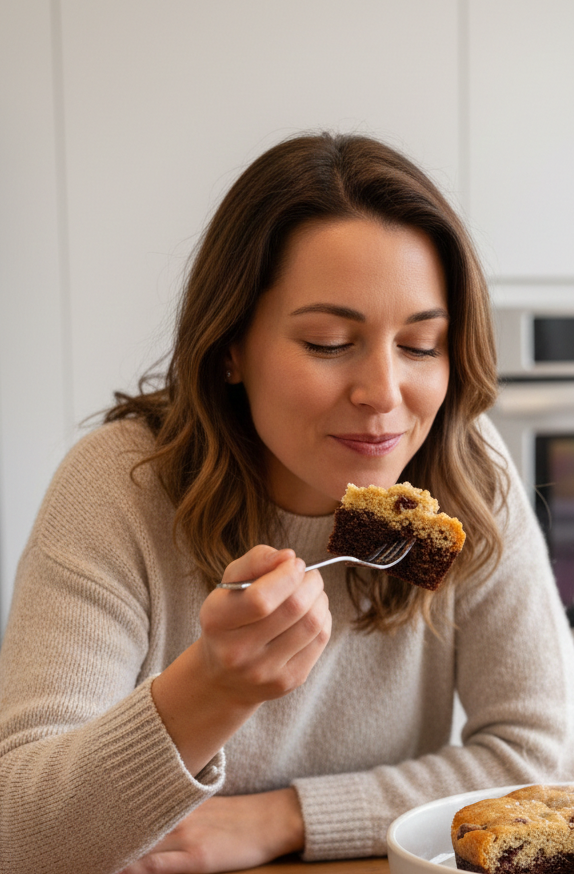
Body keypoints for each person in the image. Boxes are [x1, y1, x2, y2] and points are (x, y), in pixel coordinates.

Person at [0, 132, 573, 874]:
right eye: (331, 342)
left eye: (422, 345)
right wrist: (210, 689)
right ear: (231, 345)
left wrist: (286, 818)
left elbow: (538, 757)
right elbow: (18, 831)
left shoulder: (469, 471)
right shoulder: (119, 486)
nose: (384, 394)